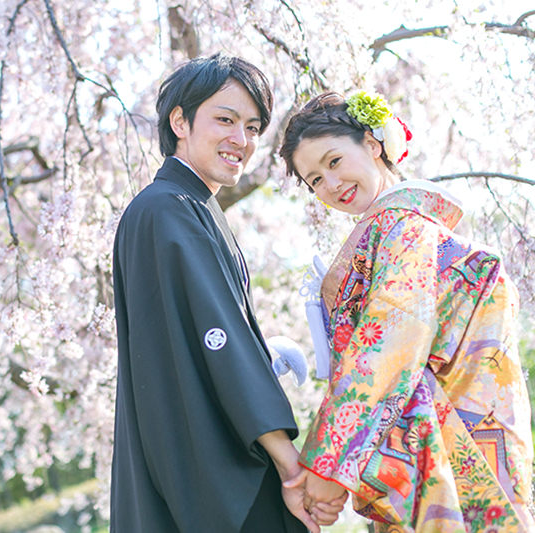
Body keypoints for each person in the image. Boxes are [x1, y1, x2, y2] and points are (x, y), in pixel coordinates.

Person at [110, 53, 346, 533]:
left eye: (253, 127)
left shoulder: (181, 205)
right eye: (225, 120)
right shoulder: (167, 209)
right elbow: (218, 336)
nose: (242, 139)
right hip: (211, 475)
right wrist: (290, 463)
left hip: (191, 462)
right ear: (180, 121)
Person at [279, 91, 535, 532]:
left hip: (451, 445)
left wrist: (328, 465)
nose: (330, 184)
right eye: (315, 180)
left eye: (334, 161)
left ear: (372, 144)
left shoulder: (404, 228)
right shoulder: (404, 230)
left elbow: (388, 342)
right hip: (468, 436)